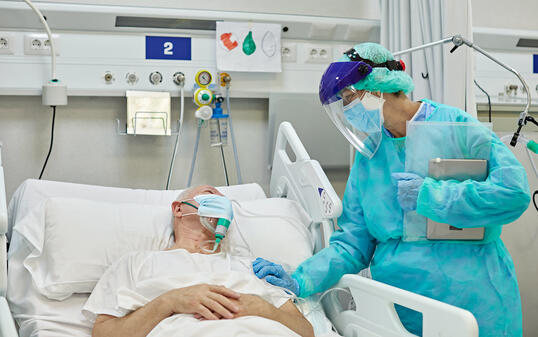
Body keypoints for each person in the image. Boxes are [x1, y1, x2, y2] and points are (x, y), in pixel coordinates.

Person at [253, 43, 530, 336]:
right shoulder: (370, 154)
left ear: (379, 87)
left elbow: (513, 192)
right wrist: (301, 279)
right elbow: (352, 243)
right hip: (400, 307)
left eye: (350, 98)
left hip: (472, 298)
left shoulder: (456, 127)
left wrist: (431, 196)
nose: (348, 109)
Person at [84, 185, 314, 337]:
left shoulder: (252, 266)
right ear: (178, 209)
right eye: (210, 194)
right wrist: (170, 302)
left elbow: (306, 331)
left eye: (225, 202)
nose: (221, 202)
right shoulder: (136, 263)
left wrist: (264, 309)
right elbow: (103, 332)